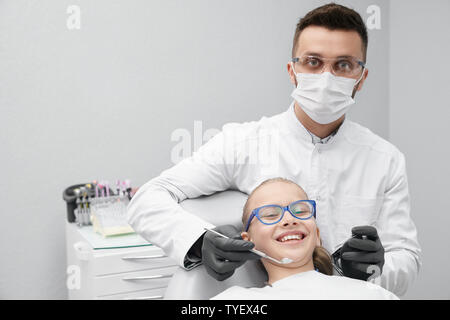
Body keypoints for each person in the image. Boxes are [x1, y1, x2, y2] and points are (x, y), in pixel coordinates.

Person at [127, 3, 421, 296]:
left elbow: (405, 257)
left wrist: (377, 269)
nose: (326, 77)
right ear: (293, 71)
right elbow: (148, 199)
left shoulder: (385, 160)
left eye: (343, 65)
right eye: (313, 62)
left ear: (361, 77)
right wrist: (197, 241)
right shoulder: (242, 143)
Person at [211, 178, 398, 300]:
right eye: (269, 214)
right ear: (246, 242)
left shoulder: (371, 294)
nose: (289, 219)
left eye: (300, 211)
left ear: (316, 234)